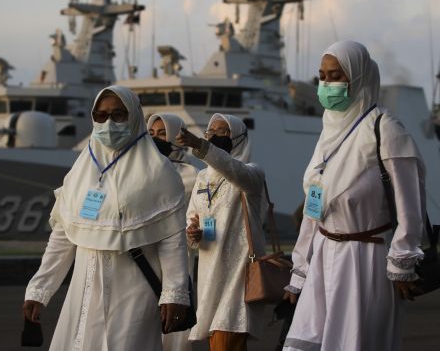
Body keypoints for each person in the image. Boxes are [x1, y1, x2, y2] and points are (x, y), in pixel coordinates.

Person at [22, 86, 191, 351]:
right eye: (101, 116)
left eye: (118, 115)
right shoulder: (79, 174)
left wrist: (175, 292)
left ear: (134, 116)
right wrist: (39, 291)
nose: (108, 123)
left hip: (134, 287)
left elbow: (172, 239)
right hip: (84, 288)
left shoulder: (160, 173)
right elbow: (63, 239)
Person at [282, 40, 426, 351]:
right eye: (322, 76)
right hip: (321, 257)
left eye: (335, 76)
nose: (326, 84)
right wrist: (299, 270)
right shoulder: (329, 132)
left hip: (365, 263)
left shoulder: (386, 130)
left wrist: (402, 261)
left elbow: (410, 206)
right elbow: (314, 208)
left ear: (358, 78)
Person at [177, 113, 267, 351]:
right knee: (218, 339)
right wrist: (193, 231)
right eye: (211, 132)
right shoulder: (202, 177)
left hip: (238, 272)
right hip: (209, 271)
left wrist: (200, 145)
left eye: (222, 132)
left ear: (238, 137)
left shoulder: (252, 173)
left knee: (226, 338)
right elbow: (192, 214)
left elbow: (231, 168)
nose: (215, 136)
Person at [148, 113, 200, 351]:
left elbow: (199, 213)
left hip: (178, 251)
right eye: (151, 134)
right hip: (146, 250)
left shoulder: (191, 173)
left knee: (174, 321)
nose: (156, 139)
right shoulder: (141, 170)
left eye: (162, 134)